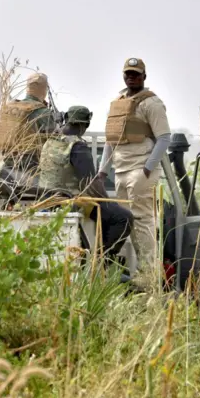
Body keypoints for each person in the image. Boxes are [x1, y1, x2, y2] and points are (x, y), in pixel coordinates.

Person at [98, 57, 172, 290]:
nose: (132, 77)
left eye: (136, 74)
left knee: (143, 221)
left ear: (144, 77)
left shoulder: (152, 103)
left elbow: (164, 138)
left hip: (140, 169)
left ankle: (148, 275)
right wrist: (102, 171)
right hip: (120, 170)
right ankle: (126, 272)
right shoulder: (118, 103)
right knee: (124, 222)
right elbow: (111, 140)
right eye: (128, 73)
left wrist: (147, 168)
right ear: (123, 75)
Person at [39, 105, 134, 276]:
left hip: (47, 201)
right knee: (123, 218)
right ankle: (103, 262)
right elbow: (90, 184)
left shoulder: (49, 143)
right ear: (84, 126)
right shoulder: (78, 147)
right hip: (68, 202)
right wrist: (109, 202)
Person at [0, 72, 59, 187]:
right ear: (44, 89)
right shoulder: (42, 112)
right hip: (31, 173)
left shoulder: (9, 108)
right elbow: (54, 143)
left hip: (6, 170)